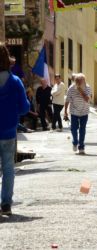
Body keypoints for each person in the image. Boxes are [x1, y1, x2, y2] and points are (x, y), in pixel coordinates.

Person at [0, 43, 30, 215]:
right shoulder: (15, 81)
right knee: (8, 168)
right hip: (8, 131)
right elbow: (25, 108)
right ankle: (6, 204)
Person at [64, 73, 92, 155]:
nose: (79, 83)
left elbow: (87, 99)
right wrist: (65, 112)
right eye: (77, 81)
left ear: (84, 81)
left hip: (84, 111)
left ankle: (81, 147)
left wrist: (81, 91)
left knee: (82, 129)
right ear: (75, 81)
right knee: (73, 128)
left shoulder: (88, 87)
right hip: (74, 111)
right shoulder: (71, 88)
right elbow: (67, 100)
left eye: (81, 81)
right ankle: (75, 142)